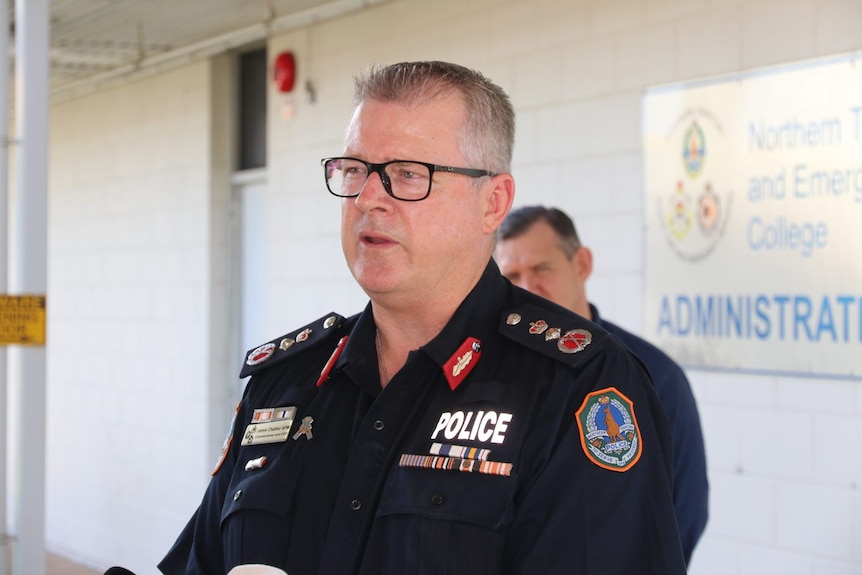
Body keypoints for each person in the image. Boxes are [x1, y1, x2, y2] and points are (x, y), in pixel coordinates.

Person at [159, 61, 686, 575]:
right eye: (354, 171)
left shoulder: (577, 387)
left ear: (493, 202)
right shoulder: (284, 384)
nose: (368, 198)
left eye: (408, 175)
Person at [494, 205, 709, 564]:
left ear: (581, 264)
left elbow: (683, 510)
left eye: (541, 269)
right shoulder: (489, 373)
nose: (527, 288)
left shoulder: (652, 374)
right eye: (512, 276)